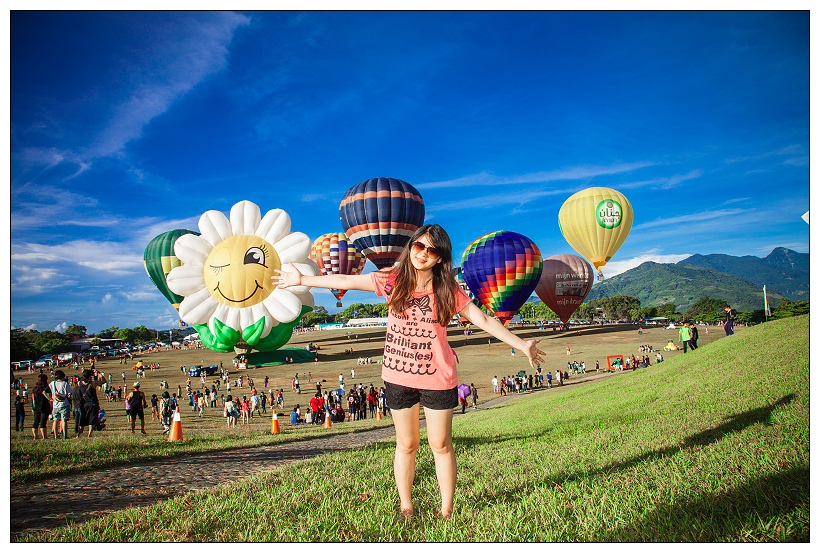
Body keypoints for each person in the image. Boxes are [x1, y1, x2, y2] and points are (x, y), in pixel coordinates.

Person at [274, 223, 543, 520]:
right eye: (419, 246)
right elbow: (348, 279)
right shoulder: (392, 280)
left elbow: (485, 320)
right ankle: (406, 506)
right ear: (411, 245)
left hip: (438, 377)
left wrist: (522, 345)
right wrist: (303, 278)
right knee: (407, 443)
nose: (423, 254)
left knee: (440, 444)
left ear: (440, 257)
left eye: (432, 250)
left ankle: (447, 509)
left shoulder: (448, 289)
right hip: (398, 376)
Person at [76, 369, 107, 437]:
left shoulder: (79, 383)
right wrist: (99, 374)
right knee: (92, 421)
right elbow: (104, 381)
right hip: (93, 404)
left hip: (84, 404)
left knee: (82, 421)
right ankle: (89, 434)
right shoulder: (93, 383)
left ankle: (78, 435)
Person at [48, 369, 72, 439]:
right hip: (64, 403)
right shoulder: (65, 383)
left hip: (55, 404)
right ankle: (65, 435)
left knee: (55, 420)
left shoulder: (52, 383)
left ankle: (56, 436)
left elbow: (45, 391)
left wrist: (49, 398)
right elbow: (69, 393)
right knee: (64, 420)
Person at [31, 373, 50, 440]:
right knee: (43, 422)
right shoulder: (46, 388)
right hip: (44, 406)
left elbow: (33, 399)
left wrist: (32, 408)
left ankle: (35, 436)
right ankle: (44, 436)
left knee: (36, 422)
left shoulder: (35, 389)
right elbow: (49, 398)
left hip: (36, 407)